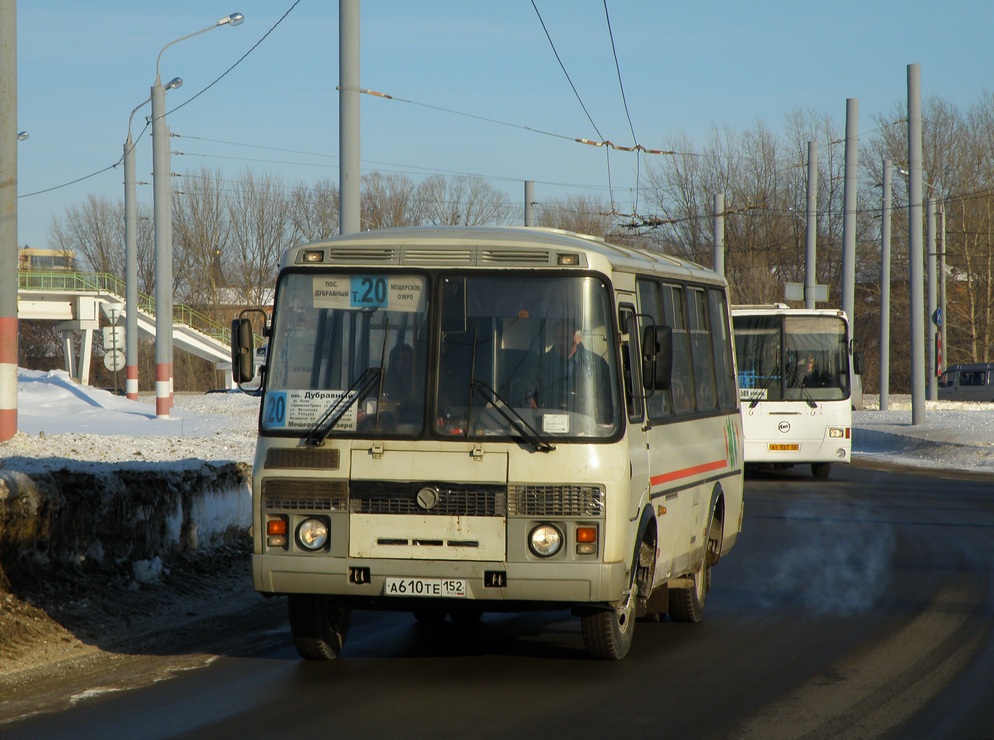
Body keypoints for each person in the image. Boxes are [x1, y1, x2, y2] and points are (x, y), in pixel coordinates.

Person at [530, 319, 613, 423]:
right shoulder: (540, 365)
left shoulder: (597, 366)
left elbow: (607, 406)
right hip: (545, 428)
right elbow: (529, 394)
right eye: (557, 338)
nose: (561, 342)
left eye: (565, 338)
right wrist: (532, 402)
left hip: (587, 430)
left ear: (577, 338)